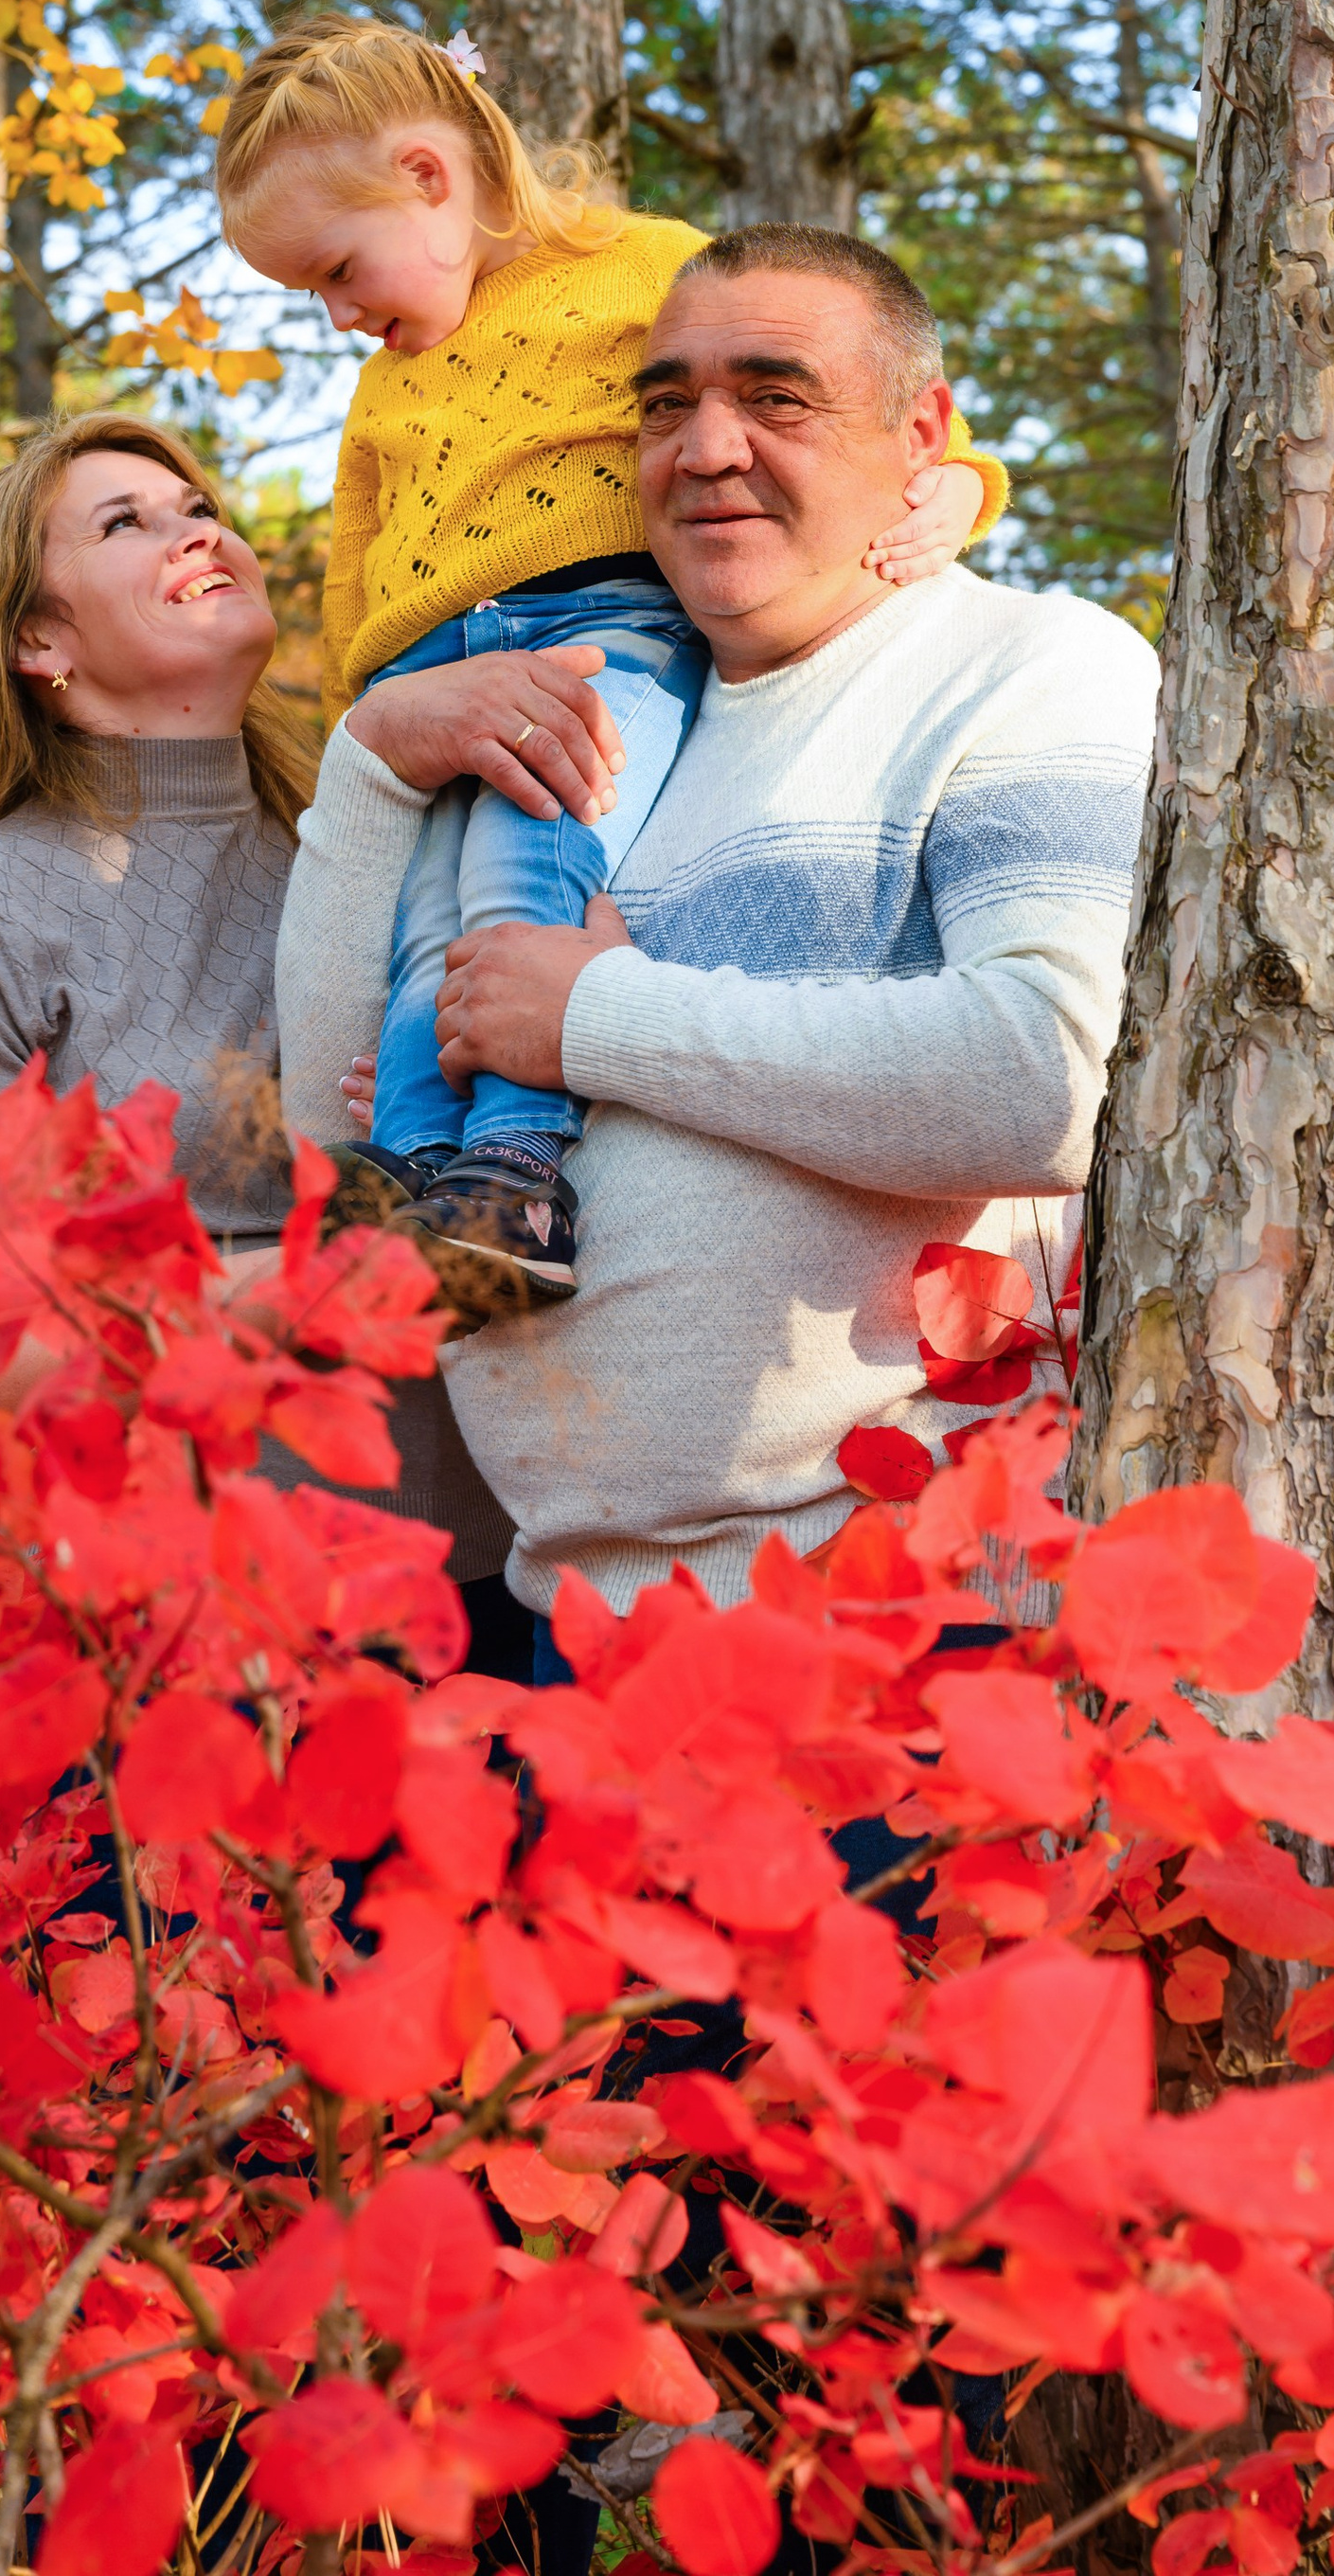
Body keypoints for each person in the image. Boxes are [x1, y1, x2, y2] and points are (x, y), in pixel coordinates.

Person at [274, 228, 1159, 1661]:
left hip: (901, 1624)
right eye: (665, 401)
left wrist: (596, 1019)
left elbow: (1048, 1082)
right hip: (565, 1627)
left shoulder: (1029, 668)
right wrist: (375, 761)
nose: (706, 445)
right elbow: (333, 1134)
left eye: (777, 395)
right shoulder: (591, 719)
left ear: (919, 432)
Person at [216, 13, 1007, 1314]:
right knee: (432, 930)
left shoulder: (639, 265)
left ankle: (520, 1164)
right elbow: (359, 555)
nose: (340, 314)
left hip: (599, 630)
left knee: (529, 875)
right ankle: (413, 1172)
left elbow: (850, 370)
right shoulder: (389, 386)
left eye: (340, 271)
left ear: (428, 177)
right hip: (438, 678)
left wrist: (958, 481)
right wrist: (370, 704)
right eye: (314, 294)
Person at [0, 408, 526, 1676]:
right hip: (181, 1634)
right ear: (37, 638)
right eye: (124, 522)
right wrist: (291, 1290)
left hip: (492, 1592)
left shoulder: (392, 846)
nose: (196, 528)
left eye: (196, 504)